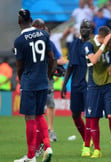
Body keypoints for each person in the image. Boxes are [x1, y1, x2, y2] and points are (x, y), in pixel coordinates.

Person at [14, 9, 55, 162]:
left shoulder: (19, 40)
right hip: (43, 81)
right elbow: (51, 58)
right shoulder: (44, 34)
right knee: (40, 115)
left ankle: (31, 156)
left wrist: (21, 79)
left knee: (30, 118)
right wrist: (48, 75)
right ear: (31, 20)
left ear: (19, 22)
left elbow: (19, 66)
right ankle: (48, 146)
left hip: (29, 82)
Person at [82, 26, 111, 158]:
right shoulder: (89, 45)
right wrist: (103, 46)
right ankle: (97, 149)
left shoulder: (110, 45)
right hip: (93, 86)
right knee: (93, 118)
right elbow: (93, 60)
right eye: (107, 40)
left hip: (108, 85)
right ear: (102, 38)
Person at [32, 18, 66, 143]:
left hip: (46, 78)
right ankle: (38, 131)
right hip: (36, 77)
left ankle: (50, 130)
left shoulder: (49, 44)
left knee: (49, 103)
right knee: (38, 105)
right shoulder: (30, 44)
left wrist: (56, 64)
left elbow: (60, 59)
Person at [61, 20, 90, 155]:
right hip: (76, 85)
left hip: (90, 85)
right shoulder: (74, 44)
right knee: (75, 114)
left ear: (90, 30)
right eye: (82, 27)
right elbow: (70, 66)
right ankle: (86, 139)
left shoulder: (94, 45)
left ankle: (90, 145)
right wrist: (64, 84)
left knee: (90, 116)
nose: (84, 29)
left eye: (87, 28)